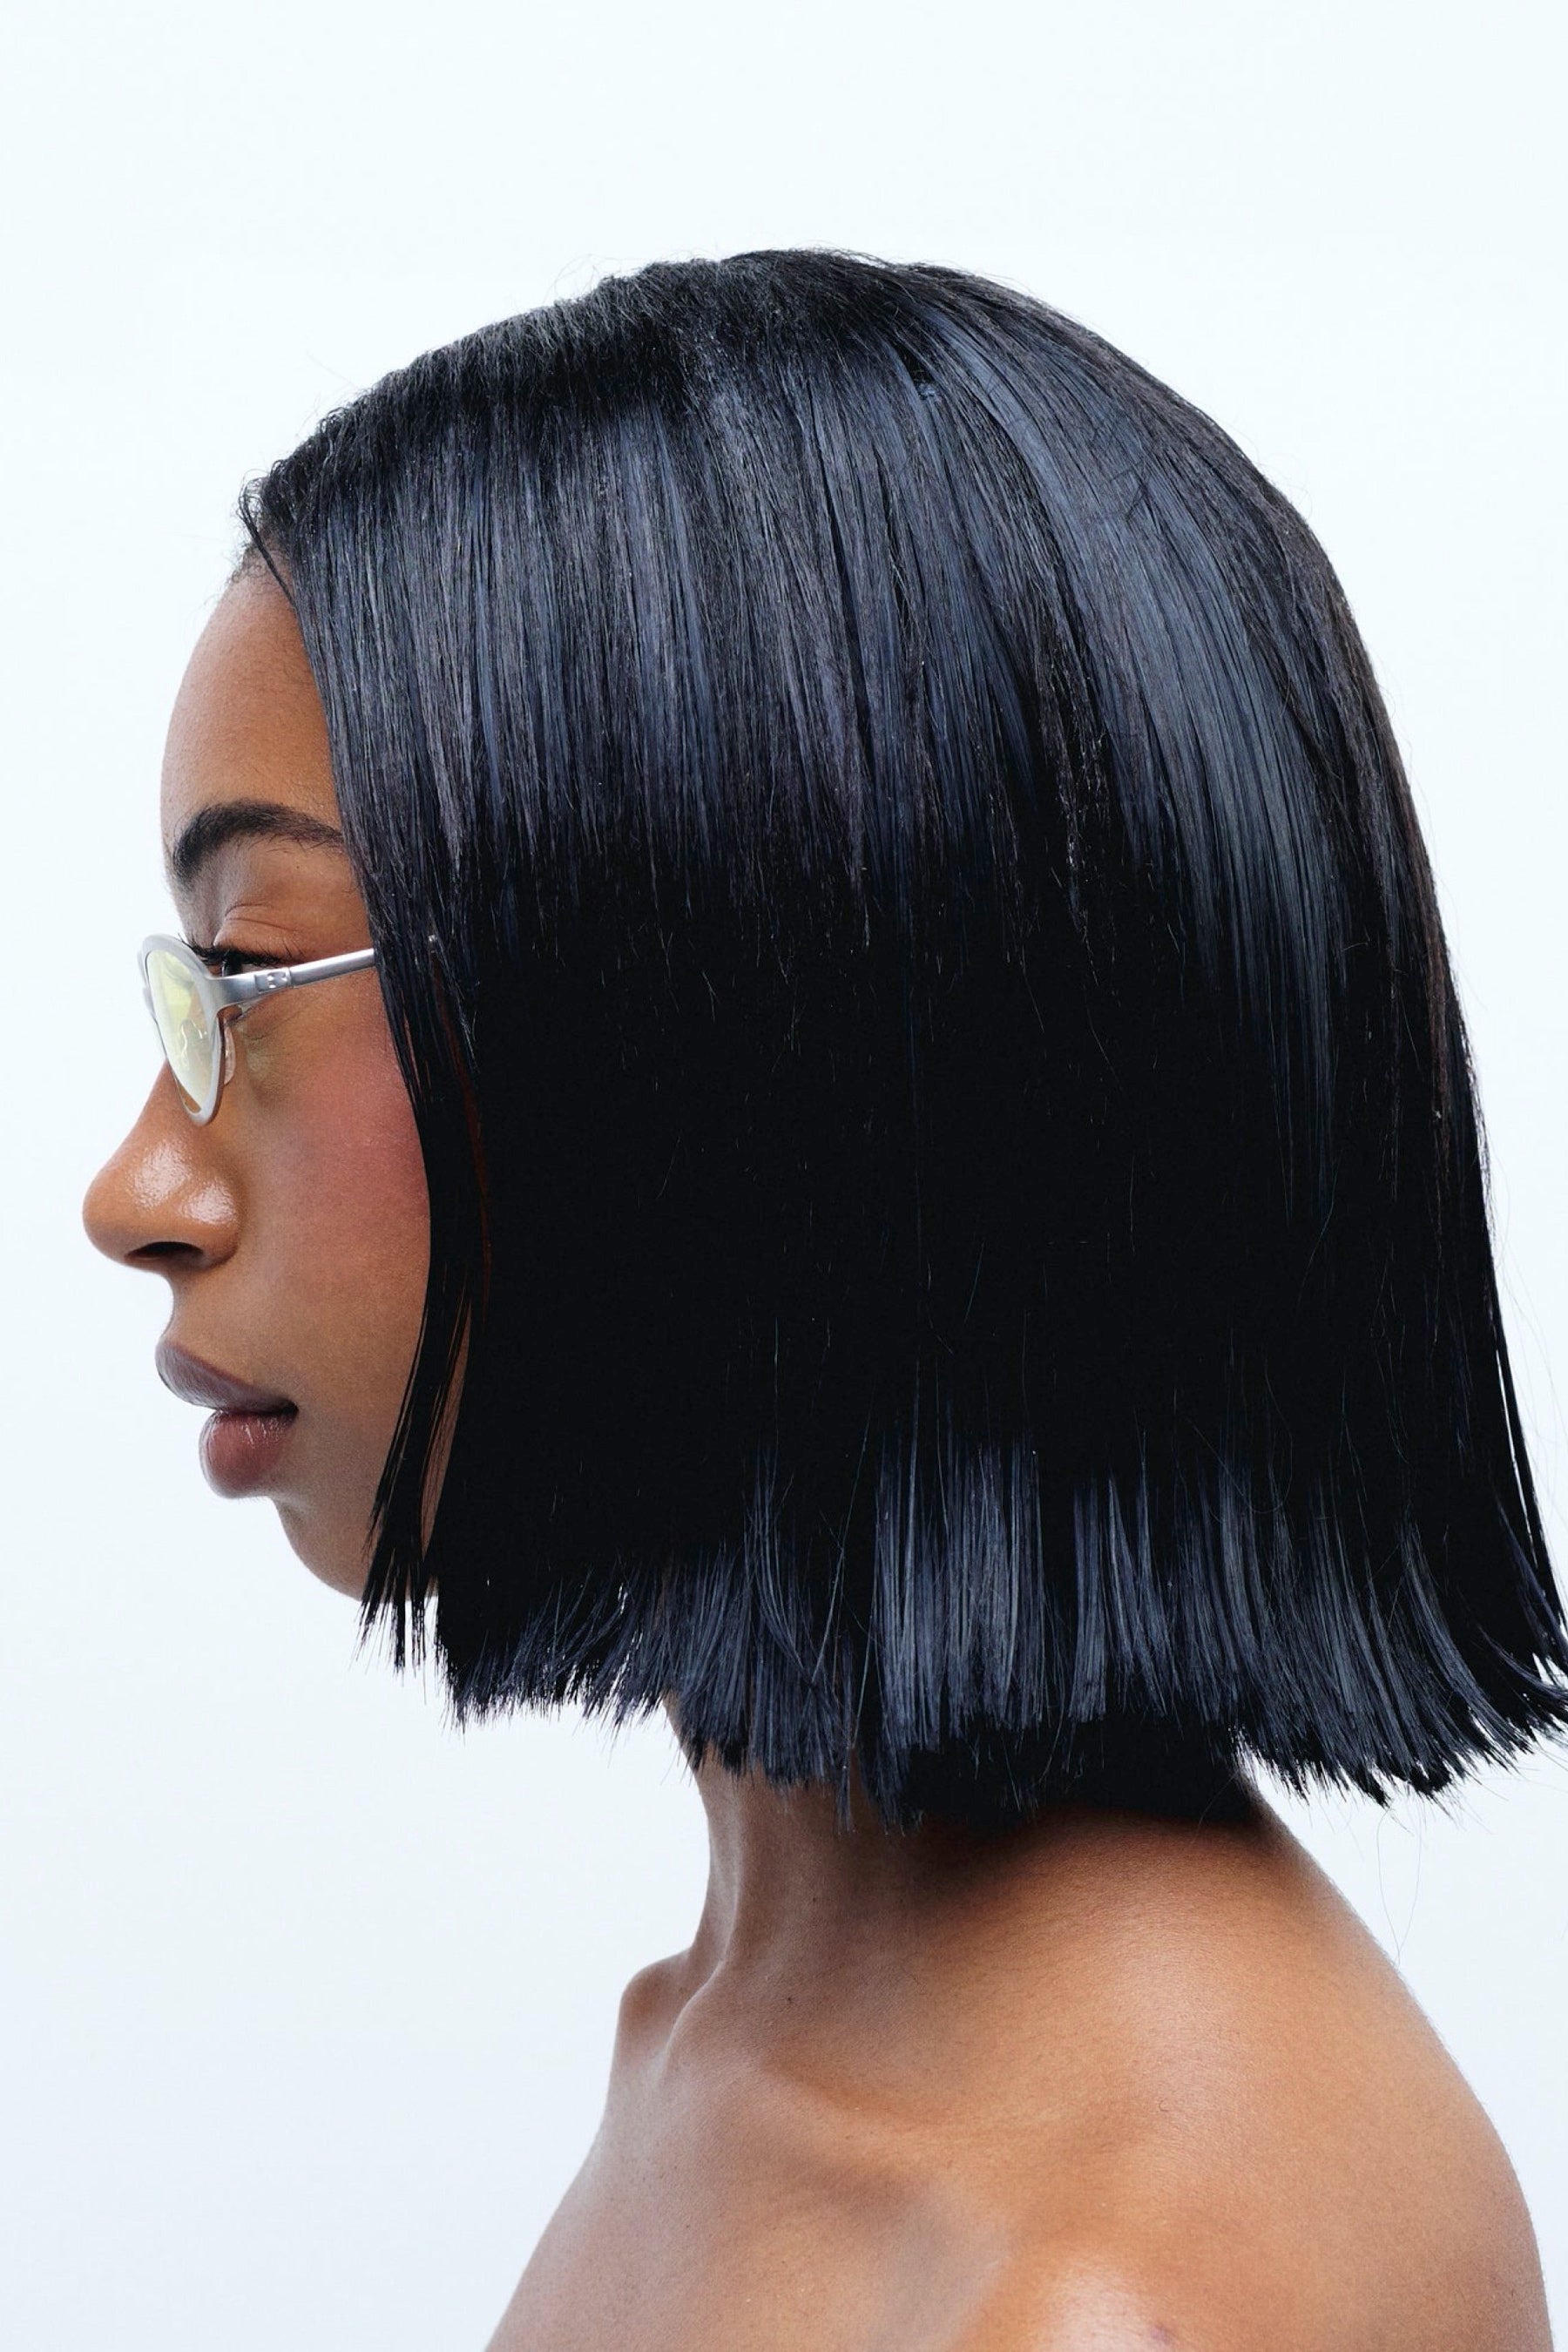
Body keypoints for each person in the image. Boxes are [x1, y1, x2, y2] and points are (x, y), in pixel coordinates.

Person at [84, 251, 1563, 2349]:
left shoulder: (1102, 2299)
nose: (133, 1193)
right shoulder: (725, 2044)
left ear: (747, 1045)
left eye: (248, 981)